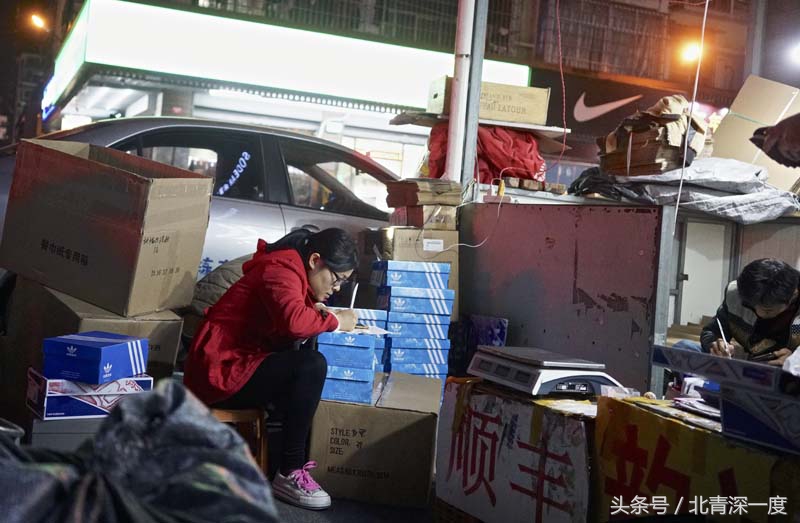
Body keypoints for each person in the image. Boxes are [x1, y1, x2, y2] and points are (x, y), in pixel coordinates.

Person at [184, 228, 359, 510]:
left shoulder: (294, 273)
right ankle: (290, 471)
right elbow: (294, 323)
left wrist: (318, 312)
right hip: (220, 371)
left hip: (240, 364)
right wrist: (335, 321)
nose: (336, 288)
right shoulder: (282, 270)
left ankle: (284, 462)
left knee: (304, 360)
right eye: (337, 279)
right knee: (311, 366)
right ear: (315, 260)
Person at [700, 258, 800, 367]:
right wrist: (715, 345)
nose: (759, 313)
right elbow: (711, 331)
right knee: (687, 346)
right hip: (747, 364)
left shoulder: (796, 320)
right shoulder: (738, 294)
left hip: (786, 370)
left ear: (793, 295)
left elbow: (796, 338)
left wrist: (795, 358)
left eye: (768, 310)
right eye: (751, 306)